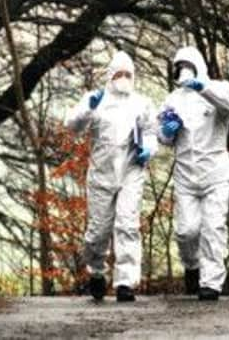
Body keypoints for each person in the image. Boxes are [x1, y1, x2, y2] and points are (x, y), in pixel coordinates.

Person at [64, 51, 158, 302]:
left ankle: (125, 282)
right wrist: (87, 110)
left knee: (128, 225)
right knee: (98, 232)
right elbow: (71, 127)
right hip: (101, 176)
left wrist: (149, 149)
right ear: (110, 75)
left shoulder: (141, 103)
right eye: (119, 73)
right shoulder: (96, 100)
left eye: (128, 74)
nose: (124, 78)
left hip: (131, 172)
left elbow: (151, 131)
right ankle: (96, 272)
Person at [157, 46, 229, 301]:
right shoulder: (173, 99)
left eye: (187, 65)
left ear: (197, 66)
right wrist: (168, 131)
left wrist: (201, 86)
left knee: (213, 227)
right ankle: (192, 265)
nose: (183, 70)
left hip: (215, 172)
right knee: (186, 231)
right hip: (186, 175)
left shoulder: (217, 90)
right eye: (179, 66)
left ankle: (211, 283)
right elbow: (161, 134)